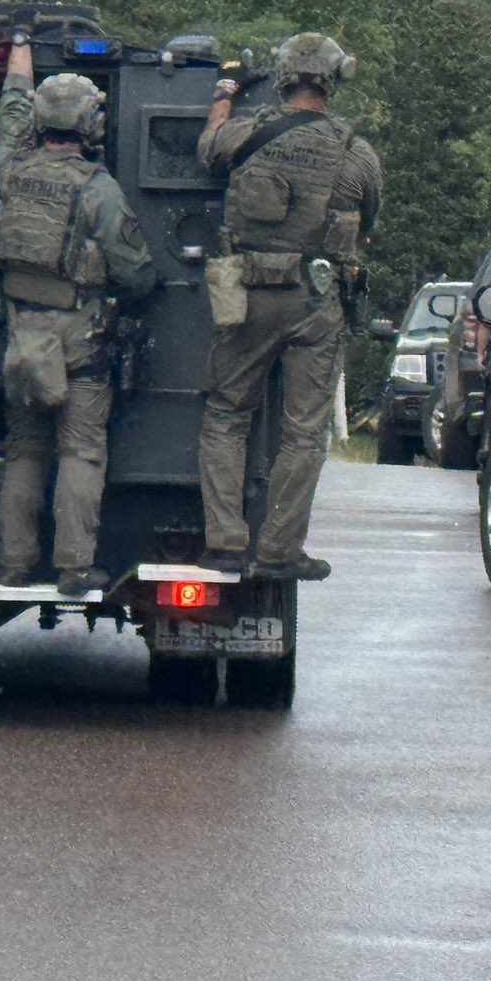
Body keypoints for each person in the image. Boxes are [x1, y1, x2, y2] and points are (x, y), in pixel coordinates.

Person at [194, 33, 382, 581]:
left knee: (227, 414)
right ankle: (280, 550)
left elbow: (208, 149)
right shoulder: (355, 150)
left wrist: (226, 90)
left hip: (246, 296)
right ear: (333, 80)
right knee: (304, 431)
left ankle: (226, 543)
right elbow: (368, 218)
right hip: (314, 301)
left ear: (282, 76)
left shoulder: (248, 132)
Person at [0, 25, 159, 597]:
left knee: (24, 452)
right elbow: (137, 275)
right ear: (92, 124)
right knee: (80, 453)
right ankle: (72, 568)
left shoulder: (13, 173)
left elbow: (9, 120)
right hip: (80, 343)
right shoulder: (99, 188)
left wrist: (19, 54)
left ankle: (14, 566)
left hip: (21, 340)